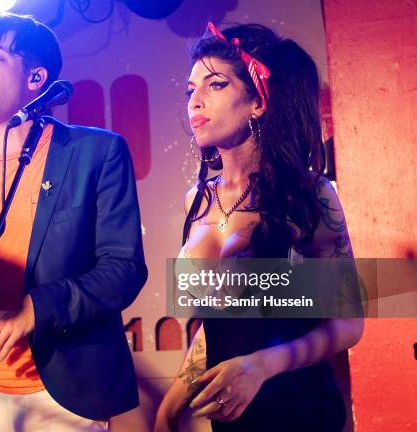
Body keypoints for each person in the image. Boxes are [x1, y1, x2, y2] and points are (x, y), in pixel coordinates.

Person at [0, 12, 147, 431]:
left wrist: (35, 308)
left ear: (36, 79)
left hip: (67, 399)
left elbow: (123, 269)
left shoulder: (98, 153)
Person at [154, 23, 363, 432]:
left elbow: (348, 324)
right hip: (235, 421)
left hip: (301, 412)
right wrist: (168, 409)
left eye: (214, 85)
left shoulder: (309, 195)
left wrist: (262, 365)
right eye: (189, 90)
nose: (194, 100)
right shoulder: (196, 200)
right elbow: (219, 323)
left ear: (258, 103)